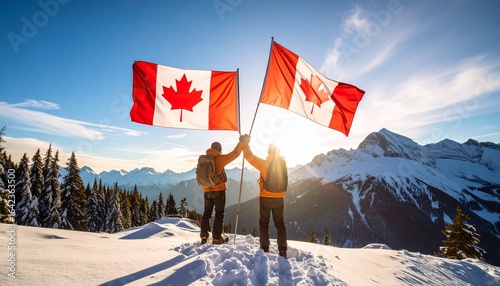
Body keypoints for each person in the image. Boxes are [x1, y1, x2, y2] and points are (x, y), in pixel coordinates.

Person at [240, 135, 288, 258]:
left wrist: (245, 144)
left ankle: (264, 248)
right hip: (279, 198)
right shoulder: (283, 164)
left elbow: (249, 157)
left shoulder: (263, 163)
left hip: (265, 198)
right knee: (280, 224)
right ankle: (282, 250)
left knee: (264, 223)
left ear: (268, 152)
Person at [200, 140, 244, 245]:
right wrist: (242, 143)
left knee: (207, 213)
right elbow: (235, 153)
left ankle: (204, 237)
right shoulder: (220, 158)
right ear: (219, 150)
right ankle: (216, 238)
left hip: (207, 190)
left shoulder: (204, 159)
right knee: (219, 214)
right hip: (219, 191)